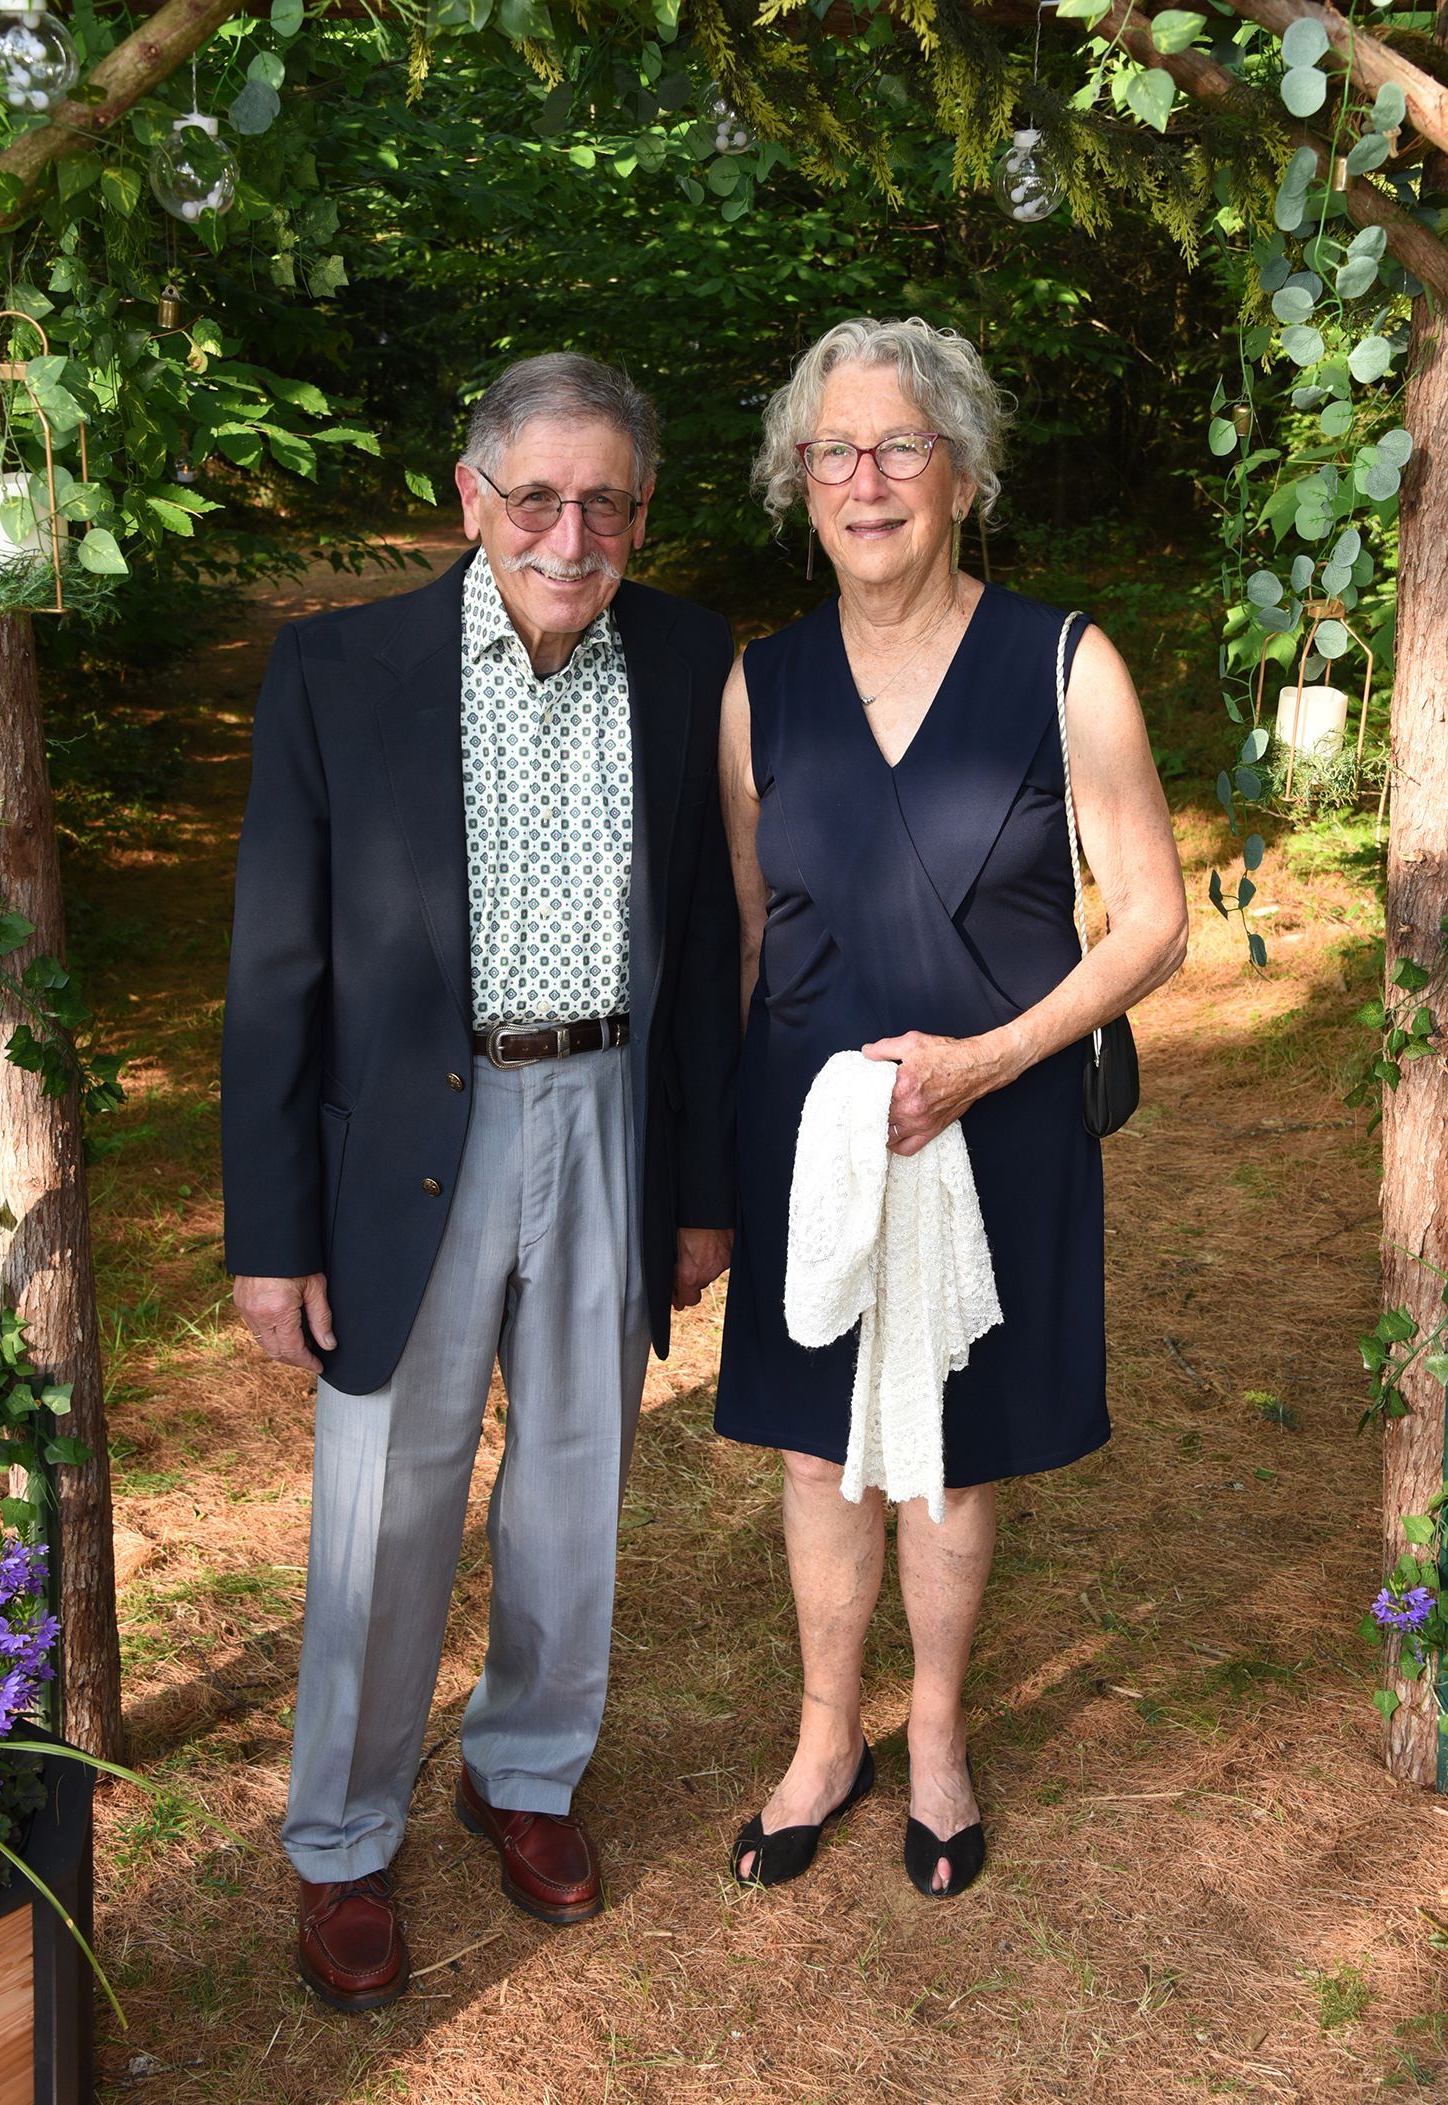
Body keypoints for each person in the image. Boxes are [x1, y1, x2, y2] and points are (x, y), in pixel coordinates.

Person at [221, 352, 738, 2010]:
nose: (570, 531)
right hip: (408, 1144)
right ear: (472, 496)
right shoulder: (337, 670)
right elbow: (272, 973)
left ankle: (522, 1768)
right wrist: (270, 1232)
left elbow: (714, 942)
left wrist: (702, 1184)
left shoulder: (684, 654)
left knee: (577, 1477)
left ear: (642, 516)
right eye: (538, 495)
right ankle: (343, 1838)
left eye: (606, 502)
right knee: (386, 1500)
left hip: (608, 1113)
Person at [714, 317, 1187, 1900]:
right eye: (833, 452)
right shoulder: (758, 687)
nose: (866, 480)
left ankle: (932, 1740)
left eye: (900, 446)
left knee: (951, 1458)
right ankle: (822, 1736)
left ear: (964, 473)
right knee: (812, 1454)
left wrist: (988, 1063)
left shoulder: (1067, 662)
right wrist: (718, 1161)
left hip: (1000, 1121)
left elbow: (1149, 919)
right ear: (800, 483)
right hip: (815, 1134)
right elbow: (744, 939)